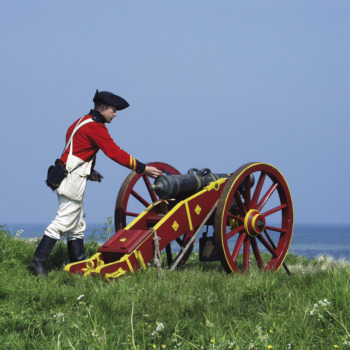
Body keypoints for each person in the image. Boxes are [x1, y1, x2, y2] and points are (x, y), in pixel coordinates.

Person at [28, 90, 163, 276]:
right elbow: (115, 153)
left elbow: (78, 150)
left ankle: (77, 266)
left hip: (69, 174)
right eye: (113, 110)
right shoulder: (96, 128)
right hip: (72, 179)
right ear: (102, 107)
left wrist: (89, 171)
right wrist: (142, 167)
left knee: (76, 226)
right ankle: (37, 263)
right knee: (64, 220)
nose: (115, 114)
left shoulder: (80, 122)